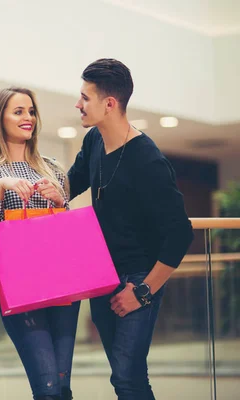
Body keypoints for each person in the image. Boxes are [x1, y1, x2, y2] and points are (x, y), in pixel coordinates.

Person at [68, 58, 194, 399]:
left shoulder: (147, 160)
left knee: (127, 376)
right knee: (126, 376)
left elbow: (180, 233)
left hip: (140, 276)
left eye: (85, 98)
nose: (77, 104)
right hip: (101, 275)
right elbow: (71, 182)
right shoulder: (94, 140)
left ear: (109, 104)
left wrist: (143, 291)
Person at [0, 87, 80, 400]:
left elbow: (66, 232)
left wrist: (61, 201)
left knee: (62, 388)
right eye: (18, 111)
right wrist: (1, 188)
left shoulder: (53, 168)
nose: (28, 118)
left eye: (31, 111)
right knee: (47, 388)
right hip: (20, 284)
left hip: (62, 283)